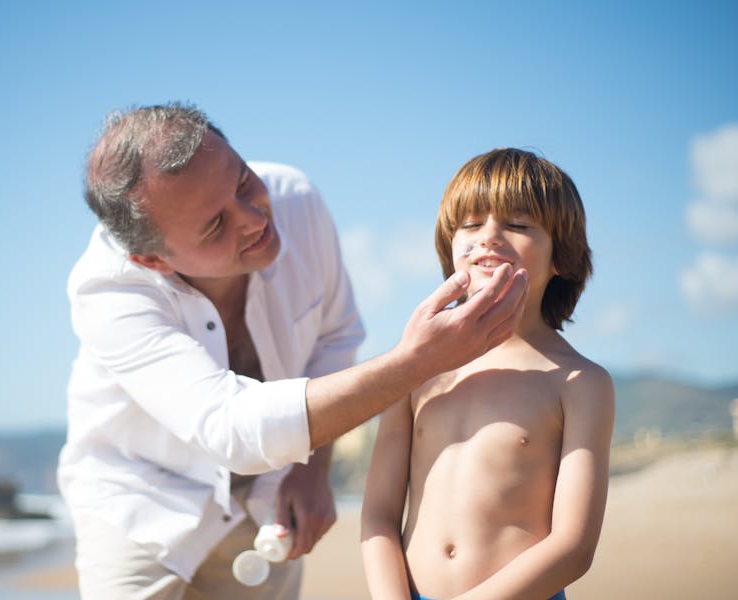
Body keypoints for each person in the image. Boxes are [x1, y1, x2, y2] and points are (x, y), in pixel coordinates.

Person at [58, 102, 528, 600]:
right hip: (141, 505)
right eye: (215, 226)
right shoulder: (108, 291)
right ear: (151, 259)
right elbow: (229, 427)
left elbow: (335, 336)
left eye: (243, 182)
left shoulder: (297, 200)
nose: (255, 217)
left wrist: (311, 467)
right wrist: (418, 361)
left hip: (268, 507)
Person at [361, 148, 615, 600]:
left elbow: (573, 546)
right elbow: (379, 515)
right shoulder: (416, 368)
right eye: (471, 224)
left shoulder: (578, 382)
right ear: (449, 243)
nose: (489, 237)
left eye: (517, 225)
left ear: (562, 256)